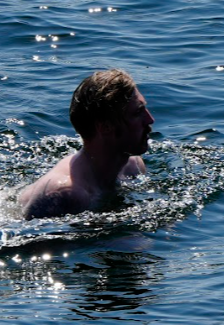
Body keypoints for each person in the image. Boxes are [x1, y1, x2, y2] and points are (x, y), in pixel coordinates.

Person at [19, 69, 155, 219]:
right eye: (137, 113)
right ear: (105, 127)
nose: (150, 120)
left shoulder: (133, 167)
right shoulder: (63, 194)